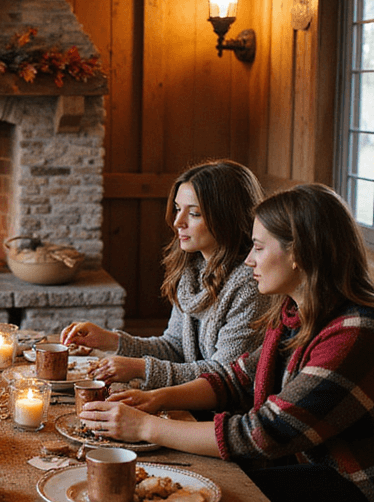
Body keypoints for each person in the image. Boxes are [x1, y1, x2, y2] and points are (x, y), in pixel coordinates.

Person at [81, 183, 374, 502]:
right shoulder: (296, 312)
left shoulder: (359, 334)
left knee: (217, 498)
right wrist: (155, 399)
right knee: (200, 482)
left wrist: (145, 427)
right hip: (321, 463)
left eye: (257, 247)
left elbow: (265, 432)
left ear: (298, 252)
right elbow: (236, 378)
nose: (249, 260)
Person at [62, 159, 266, 389]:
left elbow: (225, 376)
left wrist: (140, 368)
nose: (177, 222)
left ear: (227, 216)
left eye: (195, 213)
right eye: (178, 209)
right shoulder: (193, 270)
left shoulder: (252, 284)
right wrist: (110, 341)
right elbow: (175, 347)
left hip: (222, 416)